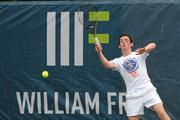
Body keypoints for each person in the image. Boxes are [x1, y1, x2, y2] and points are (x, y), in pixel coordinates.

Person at [95, 33, 171, 120]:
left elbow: (153, 45)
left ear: (131, 44)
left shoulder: (138, 53)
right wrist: (99, 52)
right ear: (119, 46)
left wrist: (145, 49)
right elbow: (107, 65)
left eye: (126, 40)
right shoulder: (118, 61)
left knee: (161, 113)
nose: (124, 42)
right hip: (132, 95)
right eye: (121, 41)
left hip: (147, 90)